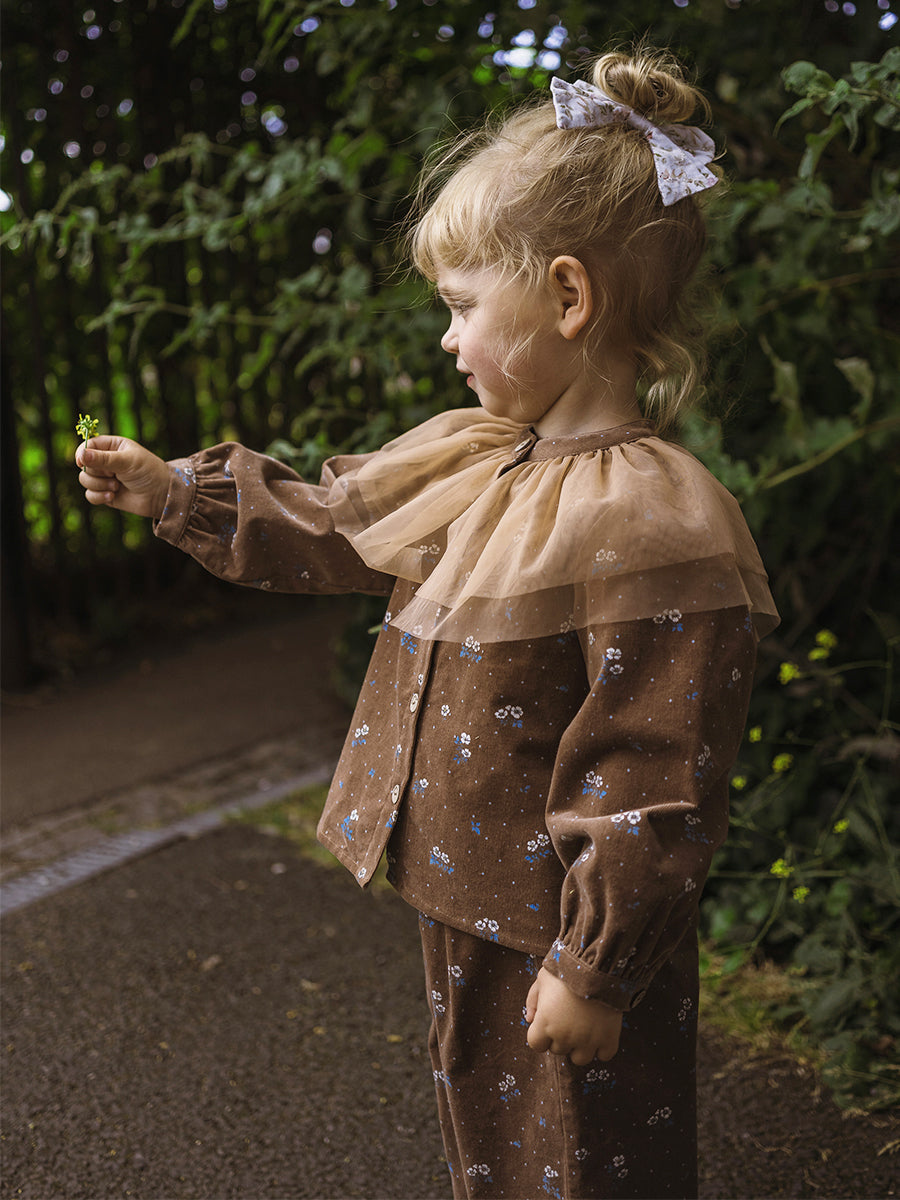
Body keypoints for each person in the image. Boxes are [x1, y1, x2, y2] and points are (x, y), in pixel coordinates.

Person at [76, 46, 778, 1200]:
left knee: (588, 1155)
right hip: (466, 893)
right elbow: (333, 525)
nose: (447, 338)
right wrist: (173, 492)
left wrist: (595, 968)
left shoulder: (651, 519)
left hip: (557, 927)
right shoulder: (480, 456)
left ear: (568, 297)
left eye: (461, 306)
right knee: (495, 1138)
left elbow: (651, 765)